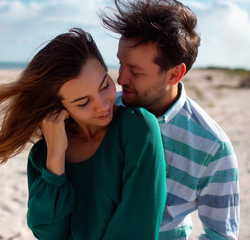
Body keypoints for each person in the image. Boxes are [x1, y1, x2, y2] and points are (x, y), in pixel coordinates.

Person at [0, 28, 167, 239]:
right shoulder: (43, 155)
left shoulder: (138, 129)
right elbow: (49, 234)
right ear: (59, 107)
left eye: (104, 85)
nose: (102, 105)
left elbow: (138, 226)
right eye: (83, 101)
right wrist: (56, 158)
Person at [100, 0, 240, 239]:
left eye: (135, 71)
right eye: (120, 64)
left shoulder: (212, 147)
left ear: (175, 73)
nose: (121, 78)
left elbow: (221, 234)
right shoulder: (104, 111)